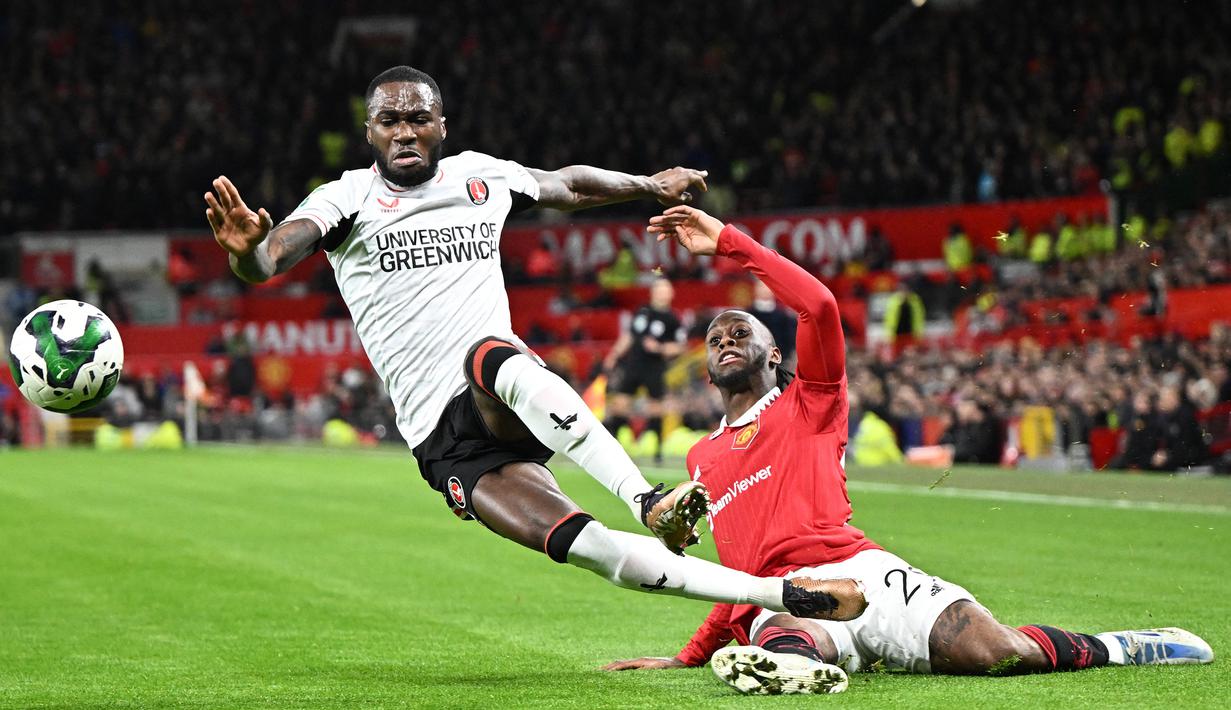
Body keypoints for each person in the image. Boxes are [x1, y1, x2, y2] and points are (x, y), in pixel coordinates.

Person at [204, 66, 864, 621]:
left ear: (441, 126)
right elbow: (270, 256)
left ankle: (647, 500)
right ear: (369, 131)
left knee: (490, 355)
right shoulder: (345, 198)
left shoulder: (477, 178)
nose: (404, 132)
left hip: (501, 388)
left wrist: (644, 186)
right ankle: (785, 596)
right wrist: (247, 258)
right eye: (389, 121)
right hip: (442, 440)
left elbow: (565, 184)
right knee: (589, 546)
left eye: (418, 119)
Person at [604, 206, 1212, 694]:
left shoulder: (811, 402)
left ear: (775, 355)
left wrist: (731, 245)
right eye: (715, 339)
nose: (726, 339)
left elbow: (818, 306)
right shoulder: (701, 461)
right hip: (788, 598)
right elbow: (741, 572)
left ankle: (1123, 645)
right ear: (707, 372)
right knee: (785, 637)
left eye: (742, 333)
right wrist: (688, 657)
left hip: (863, 573)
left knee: (994, 653)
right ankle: (796, 663)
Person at [603, 277, 686, 462]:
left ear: (671, 293)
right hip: (634, 364)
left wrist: (660, 348)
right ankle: (613, 447)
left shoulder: (673, 319)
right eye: (659, 289)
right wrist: (614, 355)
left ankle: (657, 451)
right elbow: (630, 336)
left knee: (655, 407)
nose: (662, 292)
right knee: (619, 403)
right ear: (653, 292)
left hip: (655, 368)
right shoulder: (642, 312)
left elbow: (680, 347)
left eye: (666, 289)